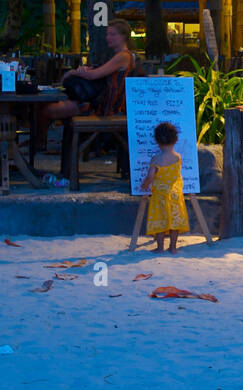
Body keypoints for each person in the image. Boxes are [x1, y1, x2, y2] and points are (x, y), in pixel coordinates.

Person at [37, 19, 137, 157]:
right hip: (98, 103)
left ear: (124, 36)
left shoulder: (123, 56)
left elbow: (93, 76)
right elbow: (95, 73)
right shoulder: (119, 56)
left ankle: (40, 147)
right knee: (44, 108)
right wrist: (84, 70)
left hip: (105, 109)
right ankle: (42, 146)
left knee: (46, 110)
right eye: (107, 34)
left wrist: (72, 72)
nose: (108, 38)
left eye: (113, 34)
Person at [142, 121, 189, 252]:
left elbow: (151, 176)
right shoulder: (178, 157)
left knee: (160, 220)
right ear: (175, 140)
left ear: (157, 141)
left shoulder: (156, 159)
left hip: (160, 195)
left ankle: (160, 247)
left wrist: (145, 185)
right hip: (175, 193)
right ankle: (173, 247)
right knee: (174, 221)